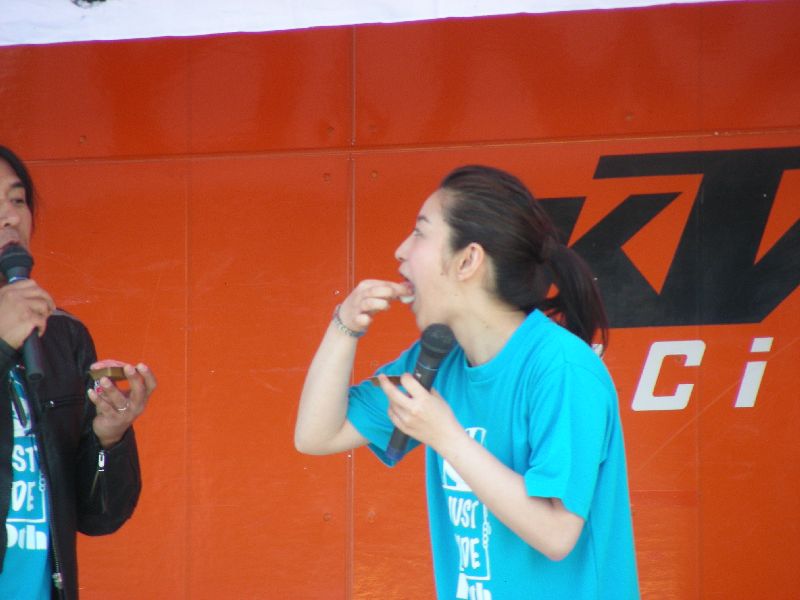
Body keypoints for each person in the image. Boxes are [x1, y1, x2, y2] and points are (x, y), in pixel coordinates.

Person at [295, 165, 639, 598]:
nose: (401, 251)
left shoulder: (562, 367)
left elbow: (556, 533)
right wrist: (344, 326)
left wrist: (447, 437)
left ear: (468, 260)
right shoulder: (440, 358)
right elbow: (317, 435)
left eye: (420, 232)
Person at [0, 146, 157, 600]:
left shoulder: (61, 335)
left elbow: (99, 515)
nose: (11, 217)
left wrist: (109, 437)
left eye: (17, 200)